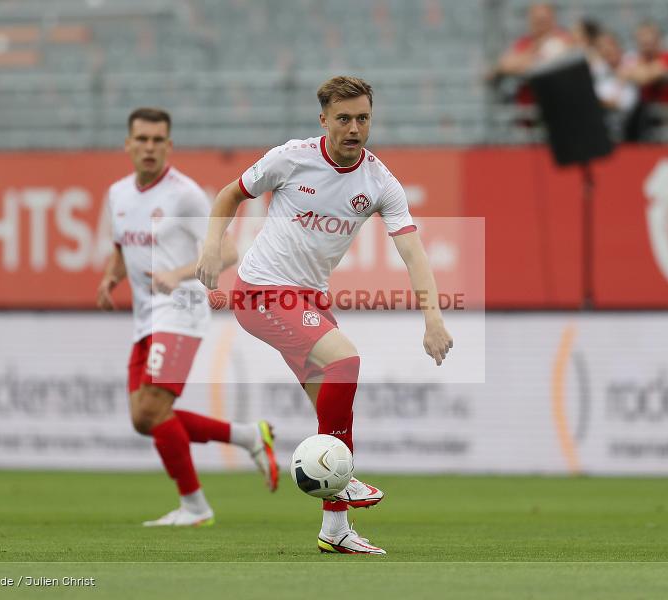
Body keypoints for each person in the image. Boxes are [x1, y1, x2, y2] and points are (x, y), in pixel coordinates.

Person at [195, 77, 453, 555]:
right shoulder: (292, 157)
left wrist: (432, 317)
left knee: (334, 413)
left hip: (309, 299)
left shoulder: (380, 182)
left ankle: (335, 531)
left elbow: (415, 254)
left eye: (363, 118)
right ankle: (344, 479)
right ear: (324, 121)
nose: (355, 128)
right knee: (346, 362)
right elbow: (229, 195)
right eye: (344, 119)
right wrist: (212, 245)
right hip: (261, 291)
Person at [98, 107, 278, 528]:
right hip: (146, 317)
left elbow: (229, 251)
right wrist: (110, 277)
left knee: (151, 410)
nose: (149, 147)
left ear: (169, 145)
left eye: (158, 140)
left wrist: (177, 275)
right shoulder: (118, 194)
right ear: (128, 144)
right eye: (141, 139)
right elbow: (123, 248)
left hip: (181, 312)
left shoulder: (185, 194)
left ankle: (195, 507)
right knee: (145, 418)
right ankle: (249, 436)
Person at [620, 22, 668, 140]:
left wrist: (636, 72)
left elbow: (644, 78)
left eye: (649, 43)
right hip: (647, 124)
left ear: (658, 41)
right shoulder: (639, 59)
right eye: (642, 43)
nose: (646, 47)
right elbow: (623, 73)